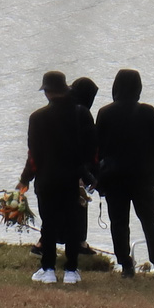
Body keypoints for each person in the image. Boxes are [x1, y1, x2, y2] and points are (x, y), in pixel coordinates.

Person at [19, 70, 95, 285]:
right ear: (65, 89)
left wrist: (25, 179)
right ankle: (71, 270)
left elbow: (34, 154)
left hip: (47, 179)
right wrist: (86, 174)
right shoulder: (80, 114)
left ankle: (49, 269)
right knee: (72, 224)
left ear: (47, 93)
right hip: (72, 178)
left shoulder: (37, 117)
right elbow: (89, 148)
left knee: (49, 224)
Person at [94, 68, 154, 279]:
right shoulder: (148, 112)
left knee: (119, 222)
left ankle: (126, 265)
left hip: (114, 178)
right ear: (138, 88)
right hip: (143, 176)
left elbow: (97, 147)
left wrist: (97, 176)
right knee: (150, 221)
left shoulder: (105, 112)